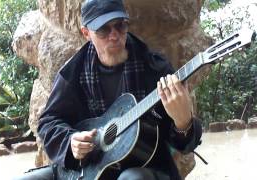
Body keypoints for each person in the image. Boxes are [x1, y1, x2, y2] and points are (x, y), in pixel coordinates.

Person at [13, 0, 202, 179]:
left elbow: (185, 145)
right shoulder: (73, 72)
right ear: (86, 33)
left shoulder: (155, 69)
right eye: (103, 29)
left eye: (120, 25)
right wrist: (70, 142)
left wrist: (183, 123)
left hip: (145, 169)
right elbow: (48, 122)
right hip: (88, 170)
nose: (114, 35)